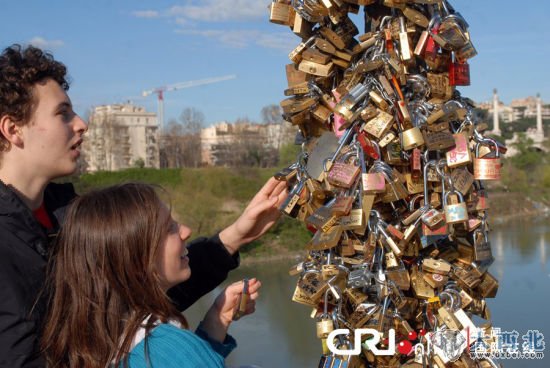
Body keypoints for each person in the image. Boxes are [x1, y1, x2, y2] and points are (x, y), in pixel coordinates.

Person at [0, 44, 287, 367]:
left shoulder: (69, 214)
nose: (81, 123)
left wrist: (235, 236)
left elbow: (132, 295)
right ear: (13, 130)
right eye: (62, 113)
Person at [41, 183, 260, 367]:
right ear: (134, 262)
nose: (186, 231)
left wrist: (218, 320)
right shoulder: (163, 347)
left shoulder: (98, 339)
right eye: (169, 228)